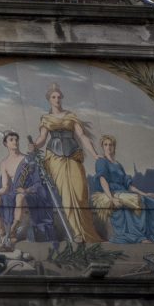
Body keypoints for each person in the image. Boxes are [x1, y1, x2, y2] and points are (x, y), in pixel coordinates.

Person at [31, 84, 106, 243]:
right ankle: (77, 233)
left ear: (62, 98)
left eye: (59, 97)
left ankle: (88, 233)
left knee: (79, 195)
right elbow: (42, 138)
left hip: (73, 156)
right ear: (49, 99)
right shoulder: (46, 118)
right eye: (53, 97)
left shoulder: (71, 116)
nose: (57, 99)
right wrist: (35, 145)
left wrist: (94, 154)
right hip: (55, 159)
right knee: (66, 198)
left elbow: (82, 136)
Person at [90, 134, 154, 245]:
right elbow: (103, 180)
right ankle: (139, 236)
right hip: (113, 192)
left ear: (114, 147)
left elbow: (128, 185)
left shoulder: (118, 164)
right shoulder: (101, 161)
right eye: (105, 145)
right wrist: (111, 198)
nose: (108, 147)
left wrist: (145, 194)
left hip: (124, 191)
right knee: (139, 201)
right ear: (102, 147)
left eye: (111, 145)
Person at [0, 131, 61, 250]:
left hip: (32, 194)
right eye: (11, 139)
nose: (15, 142)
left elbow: (38, 183)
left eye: (16, 139)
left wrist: (26, 190)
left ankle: (12, 231)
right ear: (5, 143)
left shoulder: (27, 159)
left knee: (19, 196)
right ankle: (4, 237)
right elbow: (5, 187)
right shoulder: (4, 163)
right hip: (14, 193)